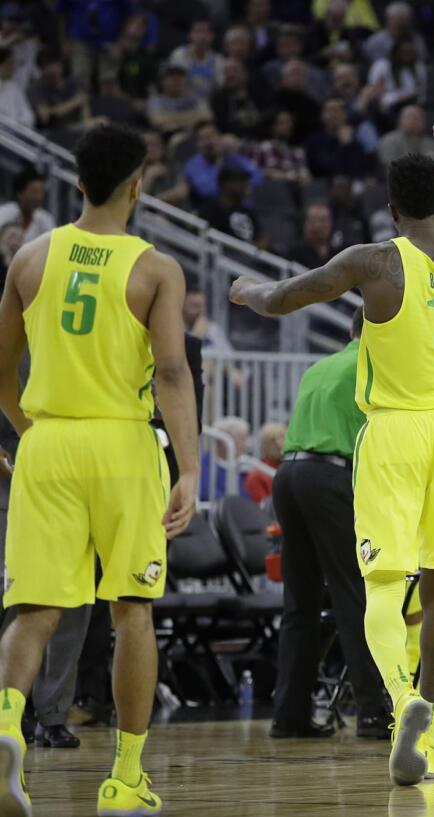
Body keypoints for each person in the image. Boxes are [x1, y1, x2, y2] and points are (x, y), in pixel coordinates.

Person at [229, 107, 434, 787]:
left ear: (391, 209)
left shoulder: (375, 261)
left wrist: (244, 290)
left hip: (392, 433)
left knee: (384, 587)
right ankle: (433, 707)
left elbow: (280, 298)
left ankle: (399, 703)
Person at [0, 123, 198, 815]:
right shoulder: (156, 268)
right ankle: (126, 777)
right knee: (132, 610)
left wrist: (31, 438)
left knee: (35, 611)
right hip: (122, 446)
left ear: (76, 181)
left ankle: (4, 730)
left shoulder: (29, 257)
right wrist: (191, 470)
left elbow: (1, 372)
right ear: (139, 185)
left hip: (49, 442)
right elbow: (171, 370)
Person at [271, 308, 390, 740]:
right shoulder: (374, 366)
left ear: (350, 330)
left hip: (288, 475)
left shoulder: (320, 366)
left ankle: (289, 714)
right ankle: (373, 712)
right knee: (353, 596)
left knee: (299, 605)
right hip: (331, 477)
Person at [0, 169, 54, 247]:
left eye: (41, 192)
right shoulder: (3, 214)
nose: (39, 197)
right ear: (20, 193)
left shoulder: (46, 220)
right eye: (34, 192)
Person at [243, 421, 285, 504]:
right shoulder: (257, 476)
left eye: (283, 438)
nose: (279, 444)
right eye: (272, 441)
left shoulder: (289, 469)